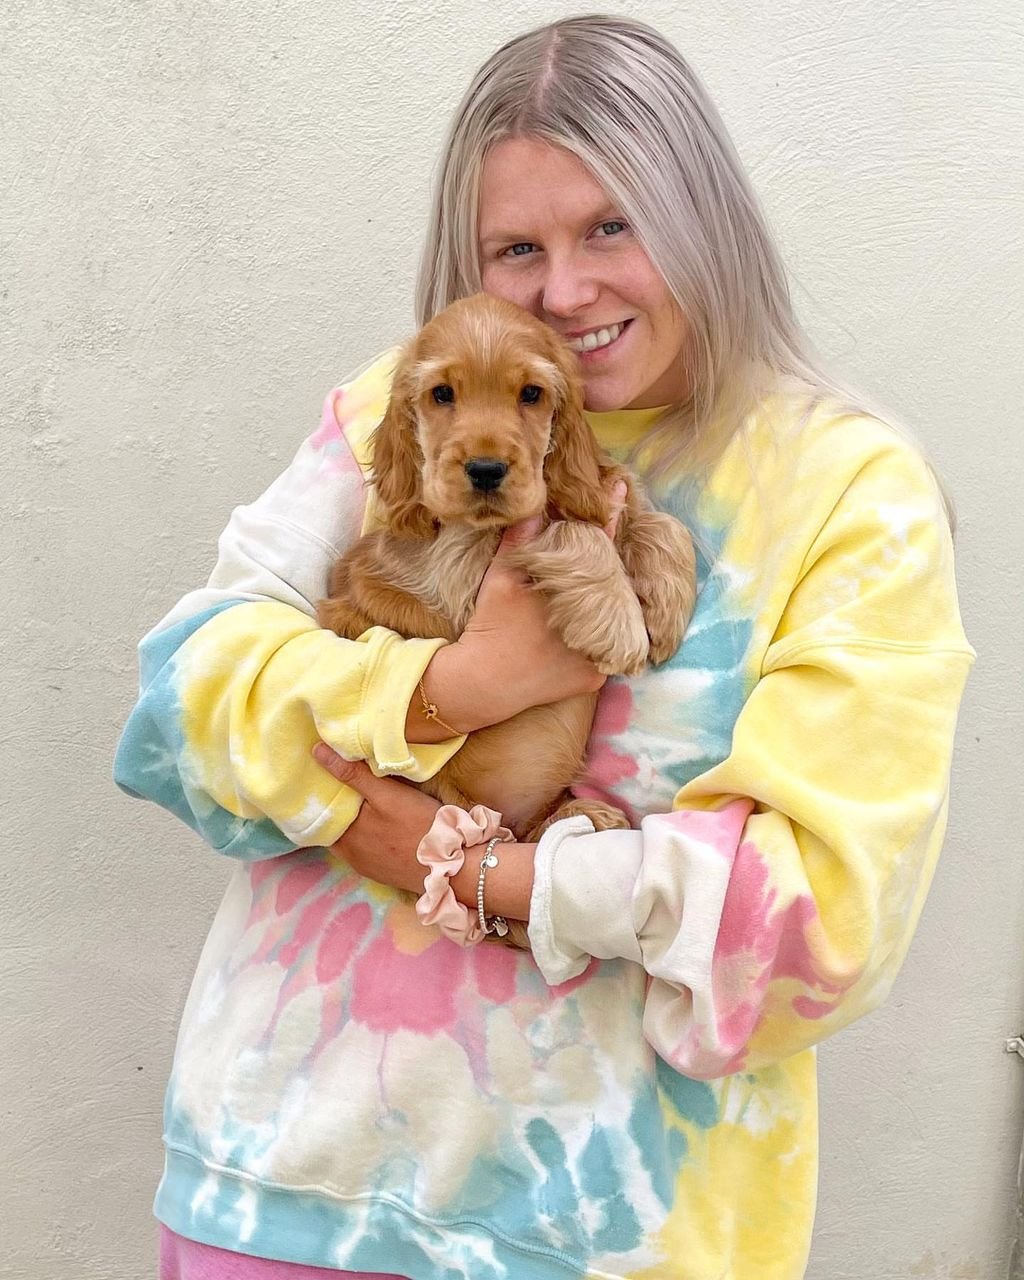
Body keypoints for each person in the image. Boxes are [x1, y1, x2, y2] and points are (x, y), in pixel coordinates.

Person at [114, 14, 974, 1280]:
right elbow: (179, 713)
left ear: (702, 220)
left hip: (612, 1229)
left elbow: (811, 931)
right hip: (282, 1184)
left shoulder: (846, 489)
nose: (565, 294)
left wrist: (474, 872)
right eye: (518, 247)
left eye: (612, 226)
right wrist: (449, 685)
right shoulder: (397, 400)